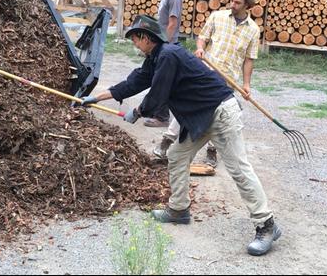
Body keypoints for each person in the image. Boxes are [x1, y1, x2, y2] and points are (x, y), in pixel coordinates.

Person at [79, 14, 281, 256]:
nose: (134, 43)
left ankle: (267, 225)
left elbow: (158, 95)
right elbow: (133, 83)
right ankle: (178, 210)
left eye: (134, 38)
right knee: (176, 155)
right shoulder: (155, 58)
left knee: (238, 168)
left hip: (220, 112)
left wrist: (138, 111)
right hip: (199, 117)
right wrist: (94, 98)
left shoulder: (168, 56)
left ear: (145, 37)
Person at [155, 0, 261, 168]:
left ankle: (212, 152)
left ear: (247, 6)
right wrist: (201, 48)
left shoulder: (253, 30)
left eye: (237, 2)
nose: (233, 4)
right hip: (205, 74)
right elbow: (202, 37)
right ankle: (166, 141)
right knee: (189, 105)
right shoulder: (217, 17)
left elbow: (249, 60)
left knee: (217, 115)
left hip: (228, 80)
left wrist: (246, 84)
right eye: (232, 0)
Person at [142, 0, 183, 128]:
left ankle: (162, 117)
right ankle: (159, 113)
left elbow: (172, 23)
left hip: (168, 44)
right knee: (160, 79)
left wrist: (164, 44)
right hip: (163, 43)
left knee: (162, 81)